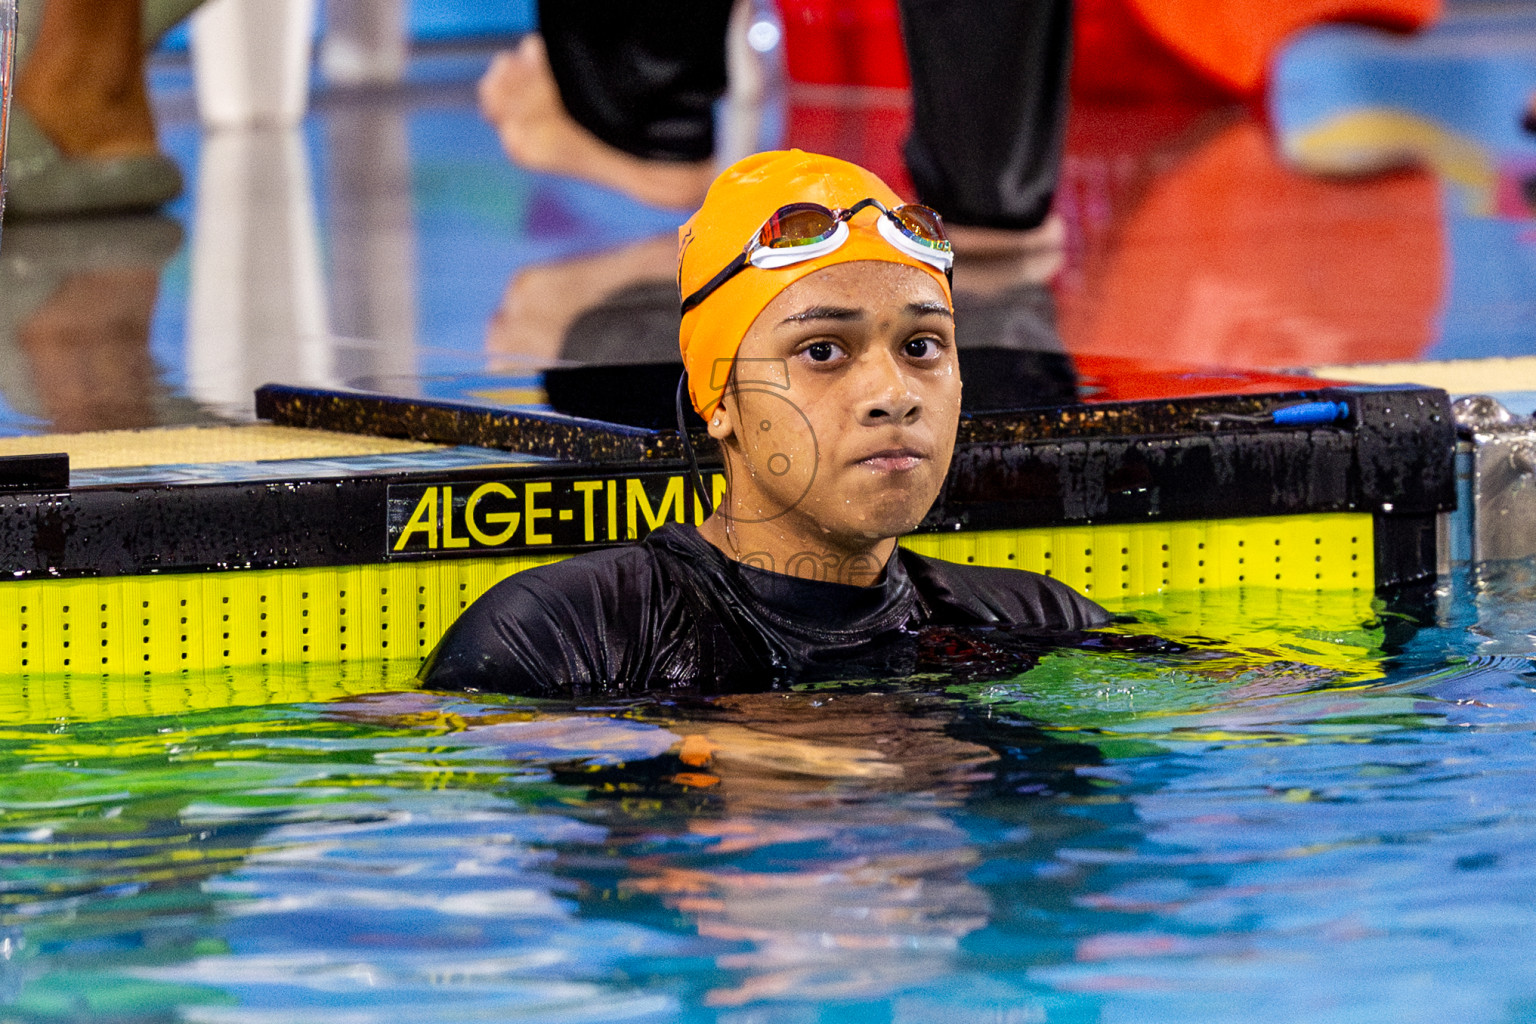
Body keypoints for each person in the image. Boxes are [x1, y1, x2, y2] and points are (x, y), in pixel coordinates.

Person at [421, 151, 1107, 698]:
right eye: (822, 352)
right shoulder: (555, 640)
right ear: (716, 398)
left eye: (921, 346)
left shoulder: (1039, 624)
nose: (893, 394)